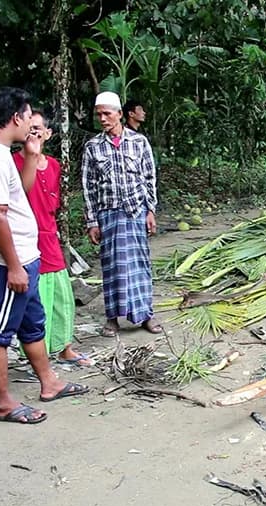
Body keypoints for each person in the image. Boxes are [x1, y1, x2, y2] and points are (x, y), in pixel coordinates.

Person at [0, 87, 89, 424]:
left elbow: (19, 193)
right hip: (10, 262)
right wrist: (15, 267)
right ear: (16, 117)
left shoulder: (1, 151)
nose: (31, 124)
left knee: (33, 326)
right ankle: (4, 404)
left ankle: (49, 383)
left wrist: (32, 154)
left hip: (25, 258)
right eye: (28, 116)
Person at [13, 109, 91, 366]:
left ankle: (64, 346)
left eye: (39, 129)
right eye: (30, 128)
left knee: (60, 294)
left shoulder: (56, 165)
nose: (34, 133)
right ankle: (39, 355)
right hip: (25, 237)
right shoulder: (13, 162)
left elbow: (57, 204)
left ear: (48, 133)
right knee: (37, 297)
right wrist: (32, 158)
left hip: (50, 235)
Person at [81, 91, 162, 337]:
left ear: (119, 114)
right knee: (112, 266)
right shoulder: (93, 147)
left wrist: (150, 210)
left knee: (140, 264)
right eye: (99, 115)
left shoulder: (139, 142)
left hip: (136, 212)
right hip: (108, 215)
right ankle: (113, 319)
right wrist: (92, 221)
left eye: (107, 113)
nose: (103, 119)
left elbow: (149, 178)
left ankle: (145, 315)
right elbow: (88, 186)